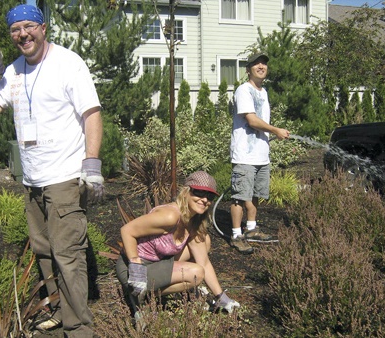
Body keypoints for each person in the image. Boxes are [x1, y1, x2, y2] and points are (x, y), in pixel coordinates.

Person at [0, 5, 103, 337]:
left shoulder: (67, 63)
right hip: (32, 180)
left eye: (28, 27)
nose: (23, 34)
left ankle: (79, 330)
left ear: (43, 28)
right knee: (44, 251)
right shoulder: (14, 71)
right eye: (15, 29)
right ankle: (61, 310)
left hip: (64, 176)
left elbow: (92, 113)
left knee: (67, 255)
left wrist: (92, 164)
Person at [115, 171, 240, 320]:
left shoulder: (194, 221)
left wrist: (221, 297)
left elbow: (204, 262)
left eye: (210, 196)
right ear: (186, 192)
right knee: (196, 273)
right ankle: (139, 296)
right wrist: (136, 267)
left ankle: (146, 293)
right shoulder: (170, 216)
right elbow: (127, 230)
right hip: (134, 267)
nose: (204, 199)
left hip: (156, 262)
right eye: (199, 192)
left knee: (204, 241)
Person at [229, 52, 290, 254]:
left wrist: (271, 136)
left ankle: (252, 229)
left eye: (264, 63)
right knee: (240, 196)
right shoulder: (243, 90)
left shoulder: (263, 92)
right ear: (248, 69)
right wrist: (276, 130)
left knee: (254, 195)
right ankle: (236, 235)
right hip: (244, 154)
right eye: (256, 64)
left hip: (261, 155)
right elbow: (252, 121)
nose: (261, 66)